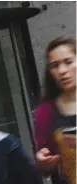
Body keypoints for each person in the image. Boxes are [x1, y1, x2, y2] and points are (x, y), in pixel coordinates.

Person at [34, 36, 76, 184]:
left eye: (68, 62)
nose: (62, 70)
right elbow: (44, 160)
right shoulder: (45, 111)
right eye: (55, 65)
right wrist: (43, 160)